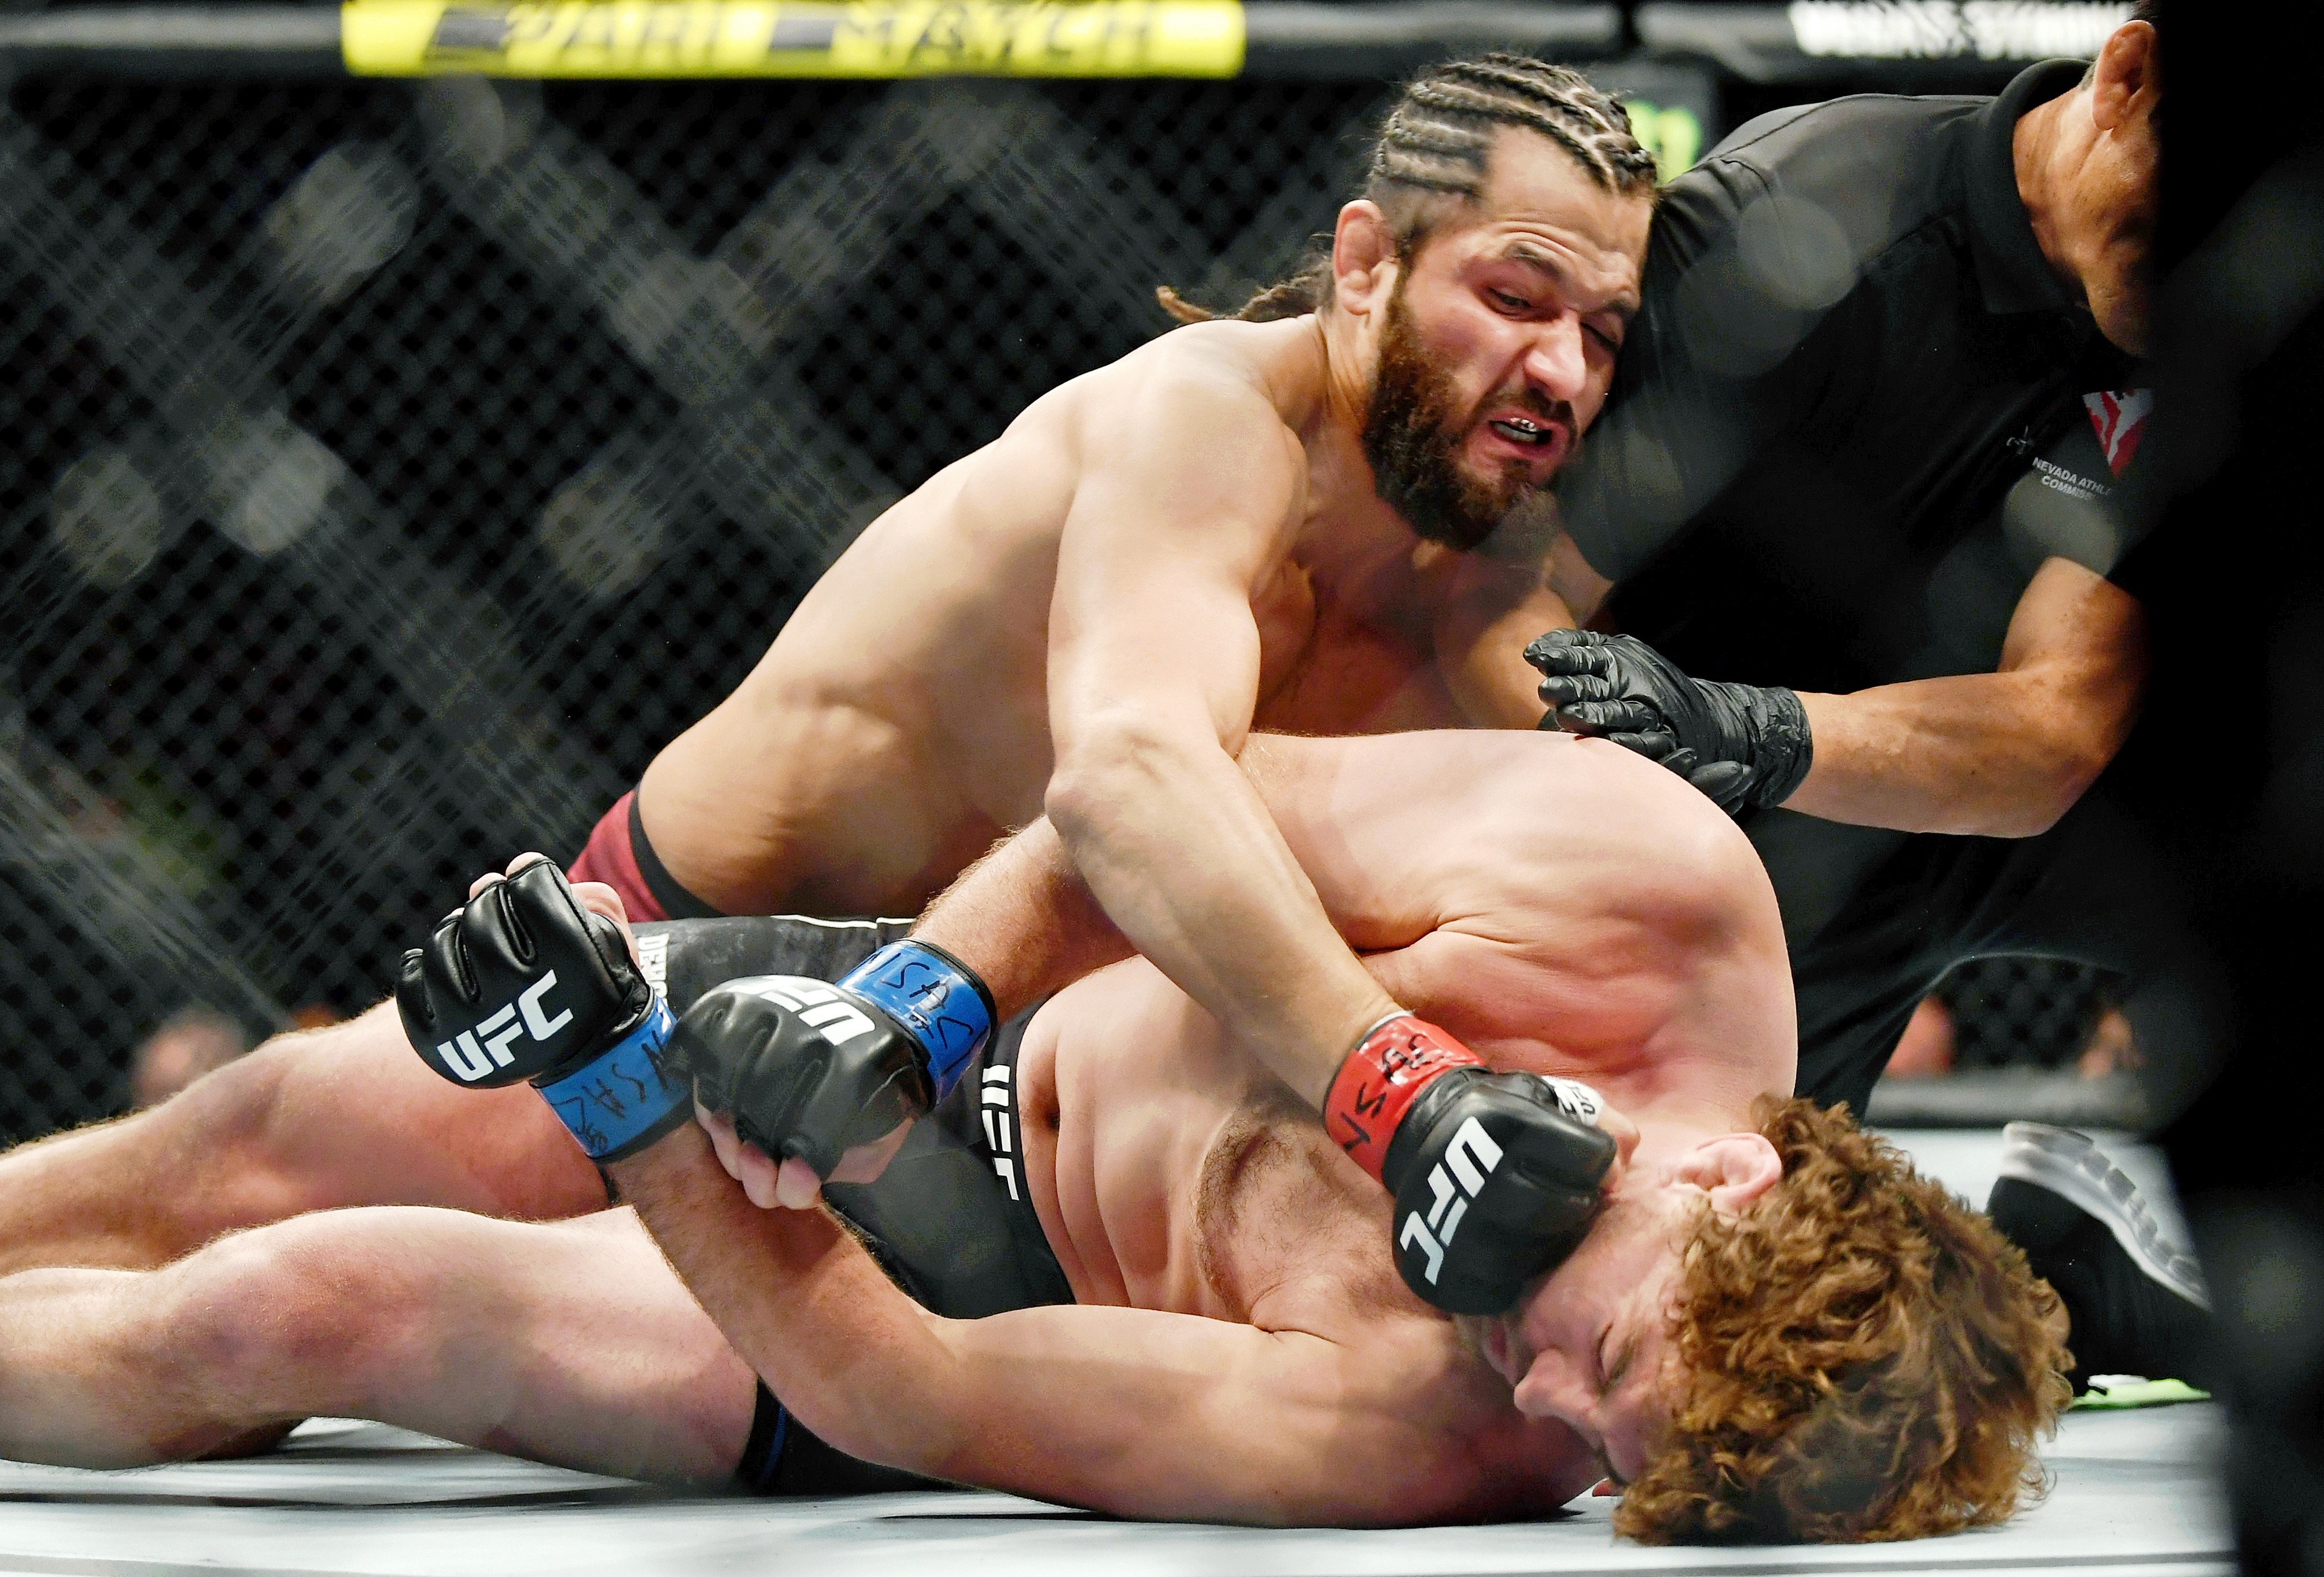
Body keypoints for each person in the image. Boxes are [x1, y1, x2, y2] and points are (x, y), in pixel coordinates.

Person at [0, 56, 1653, 1281]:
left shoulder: (1495, 593)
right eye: (1514, 296)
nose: (1559, 368)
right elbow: (1132, 778)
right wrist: (1401, 1093)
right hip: (677, 965)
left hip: (977, 1114)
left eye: (1604, 332)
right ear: (1366, 262)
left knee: (339, 1310)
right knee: (245, 1191)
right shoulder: (1205, 420)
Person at [0, 729, 2070, 1542]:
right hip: (965, 1006)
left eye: (1598, 1452)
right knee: (273, 1118)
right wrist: (1392, 1077)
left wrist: (612, 1080)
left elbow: (907, 1376)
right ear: (1724, 1180)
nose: (1540, 1393)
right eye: (1608, 1357)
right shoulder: (1651, 896)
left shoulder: (1430, 1432)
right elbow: (1141, 796)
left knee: (294, 1297)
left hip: (942, 1278)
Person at [1518, 9, 2200, 1383]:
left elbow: (2061, 721)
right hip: (1677, 845)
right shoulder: (1803, 228)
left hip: (1919, 805)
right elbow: (1513, 614)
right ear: (2124, 79)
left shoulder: (2199, 335)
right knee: (1708, 1351)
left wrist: (1755, 731)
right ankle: (2052, 1286)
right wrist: (1627, 788)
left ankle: (2113, 1270)